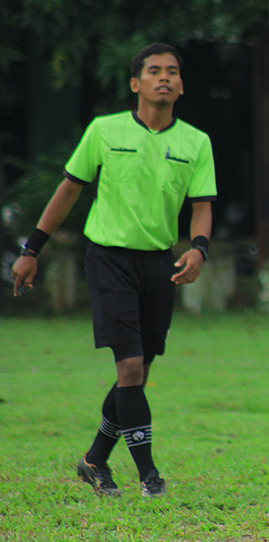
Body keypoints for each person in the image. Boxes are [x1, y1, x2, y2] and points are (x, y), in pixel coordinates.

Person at [10, 43, 217, 498]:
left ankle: (94, 460)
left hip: (159, 264)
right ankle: (149, 476)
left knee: (137, 372)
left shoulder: (196, 142)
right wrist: (32, 249)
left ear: (181, 86)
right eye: (154, 71)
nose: (164, 78)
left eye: (172, 72)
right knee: (130, 368)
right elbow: (68, 190)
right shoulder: (105, 130)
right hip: (109, 260)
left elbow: (202, 205)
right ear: (135, 83)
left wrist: (199, 249)